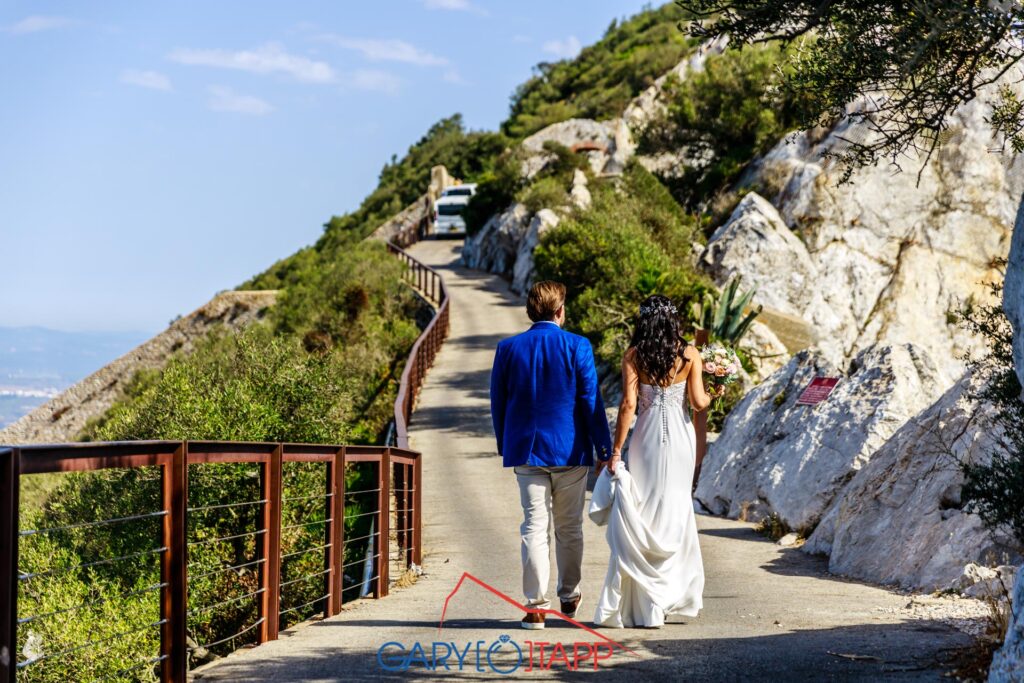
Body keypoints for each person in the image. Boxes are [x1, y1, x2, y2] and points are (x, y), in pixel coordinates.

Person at [591, 294, 721, 628]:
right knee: (677, 508)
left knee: (646, 509)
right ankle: (670, 596)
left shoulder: (634, 355)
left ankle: (646, 603)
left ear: (644, 321)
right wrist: (716, 392)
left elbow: (627, 406)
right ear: (672, 320)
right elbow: (697, 402)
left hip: (645, 442)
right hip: (680, 440)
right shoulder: (689, 354)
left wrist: (616, 449)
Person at [490, 280, 613, 630]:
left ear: (532, 310)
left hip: (526, 451)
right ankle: (569, 595)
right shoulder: (578, 345)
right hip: (570, 449)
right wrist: (603, 447)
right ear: (560, 311)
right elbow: (590, 401)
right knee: (569, 528)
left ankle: (535, 607)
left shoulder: (508, 348)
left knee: (533, 526)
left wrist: (505, 442)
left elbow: (498, 402)